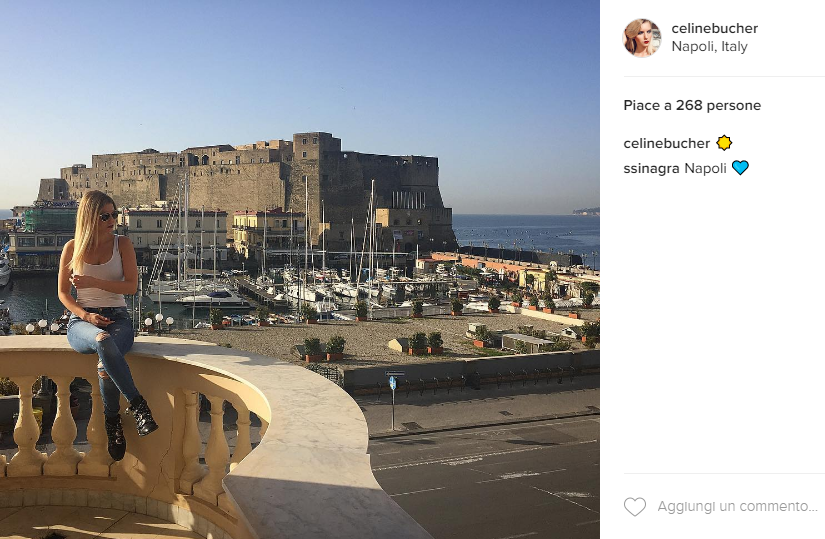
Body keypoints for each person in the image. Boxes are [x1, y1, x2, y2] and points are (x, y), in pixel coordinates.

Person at [57, 190, 158, 461]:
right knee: (101, 339)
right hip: (82, 321)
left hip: (118, 318)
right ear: (89, 217)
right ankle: (138, 404)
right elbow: (63, 294)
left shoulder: (122, 244)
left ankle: (112, 420)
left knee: (105, 364)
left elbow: (131, 287)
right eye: (105, 216)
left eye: (114, 214)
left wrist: (94, 282)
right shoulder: (72, 248)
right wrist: (86, 316)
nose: (112, 220)